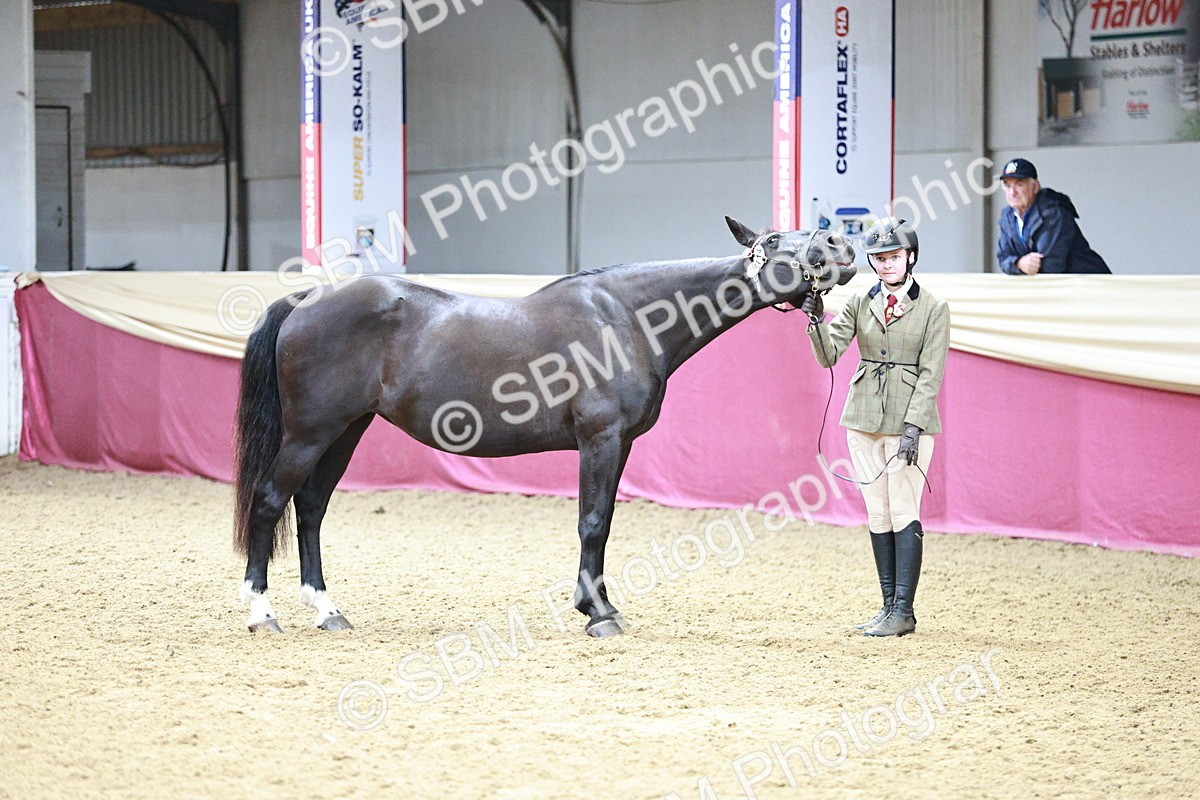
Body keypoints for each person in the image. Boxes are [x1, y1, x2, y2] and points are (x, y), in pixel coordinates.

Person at [800, 218, 950, 637]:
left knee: (903, 509)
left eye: (894, 258)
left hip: (907, 422)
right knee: (877, 512)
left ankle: (904, 609)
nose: (886, 265)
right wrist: (814, 323)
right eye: (880, 259)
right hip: (862, 419)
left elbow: (931, 373)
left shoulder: (934, 308)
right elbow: (830, 356)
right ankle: (888, 608)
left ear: (910, 258)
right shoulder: (858, 302)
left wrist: (914, 427)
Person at [996, 158, 1111, 275]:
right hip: (1058, 288)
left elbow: (1049, 265)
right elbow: (1003, 258)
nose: (1012, 192)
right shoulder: (1007, 216)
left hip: (1089, 285)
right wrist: (1019, 263)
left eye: (1019, 185)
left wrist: (1018, 265)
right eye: (1007, 186)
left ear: (1035, 187)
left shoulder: (1053, 212)